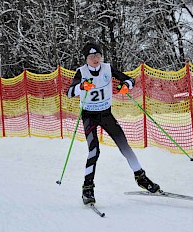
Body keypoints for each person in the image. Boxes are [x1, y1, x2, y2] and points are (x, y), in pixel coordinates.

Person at [67, 41, 160, 205]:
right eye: (91, 56)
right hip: (89, 116)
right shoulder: (81, 72)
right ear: (86, 59)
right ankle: (87, 188)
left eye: (97, 55)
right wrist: (81, 86)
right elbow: (68, 92)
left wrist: (125, 85)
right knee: (94, 151)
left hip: (105, 114)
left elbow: (130, 80)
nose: (95, 59)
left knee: (124, 145)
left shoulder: (107, 69)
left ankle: (141, 178)